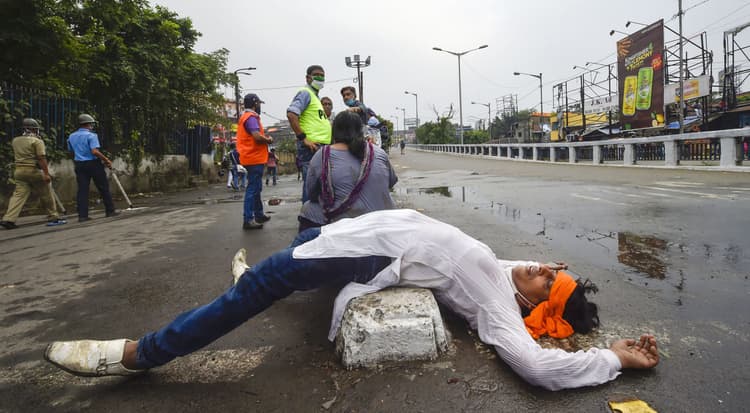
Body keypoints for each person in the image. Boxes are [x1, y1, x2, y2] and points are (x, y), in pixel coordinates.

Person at [44, 209, 659, 391]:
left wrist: (612, 357)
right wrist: (543, 272)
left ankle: (141, 353)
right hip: (366, 232)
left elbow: (536, 366)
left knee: (265, 284)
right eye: (551, 269)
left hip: (367, 251)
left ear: (532, 309)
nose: (541, 270)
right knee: (295, 254)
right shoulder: (502, 274)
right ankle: (253, 283)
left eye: (547, 284)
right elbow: (502, 267)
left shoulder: (500, 304)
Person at [298, 111, 397, 232]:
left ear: (334, 131)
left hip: (348, 227)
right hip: (385, 222)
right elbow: (391, 182)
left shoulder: (322, 155)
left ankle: (311, 244)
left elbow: (312, 193)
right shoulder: (378, 152)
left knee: (307, 208)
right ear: (361, 130)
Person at [0, 118, 66, 229]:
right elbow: (41, 158)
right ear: (34, 129)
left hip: (19, 171)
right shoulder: (37, 141)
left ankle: (8, 219)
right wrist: (46, 174)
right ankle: (53, 216)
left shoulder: (15, 140)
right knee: (46, 193)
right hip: (33, 171)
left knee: (18, 196)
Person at [287, 65, 332, 203]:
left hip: (321, 147)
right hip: (311, 147)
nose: (320, 78)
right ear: (308, 78)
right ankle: (308, 214)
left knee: (320, 185)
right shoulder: (305, 93)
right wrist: (304, 138)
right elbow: (292, 114)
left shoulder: (316, 98)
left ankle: (316, 212)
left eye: (322, 76)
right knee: (311, 185)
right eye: (317, 74)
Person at [67, 114, 118, 222]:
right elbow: (94, 151)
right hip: (93, 163)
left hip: (79, 164)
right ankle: (110, 210)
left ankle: (82, 215)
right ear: (89, 124)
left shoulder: (71, 136)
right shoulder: (92, 136)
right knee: (103, 187)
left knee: (82, 189)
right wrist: (106, 160)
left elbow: (71, 150)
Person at [237, 93, 273, 230]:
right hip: (254, 158)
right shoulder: (251, 117)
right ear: (254, 103)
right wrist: (268, 140)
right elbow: (257, 137)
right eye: (258, 103)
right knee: (252, 189)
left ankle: (258, 214)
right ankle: (248, 219)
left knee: (256, 188)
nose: (259, 106)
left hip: (251, 157)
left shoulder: (246, 117)